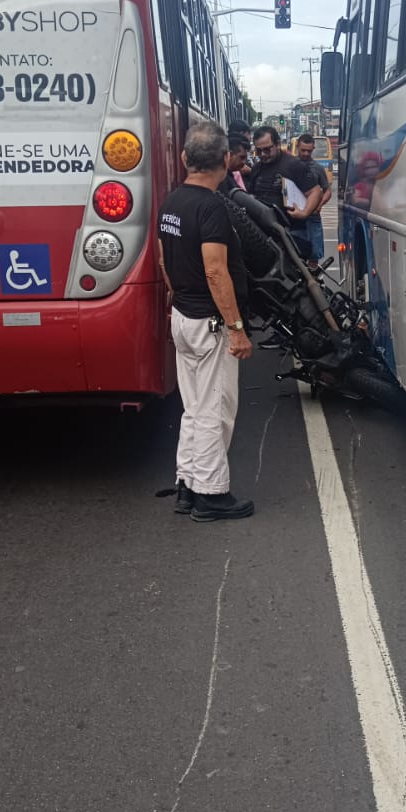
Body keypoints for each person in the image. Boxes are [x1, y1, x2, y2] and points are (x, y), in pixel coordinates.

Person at [157, 122, 254, 522]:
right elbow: (216, 271)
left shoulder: (172, 202)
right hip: (209, 322)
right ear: (225, 160)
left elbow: (164, 260)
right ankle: (212, 496)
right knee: (215, 408)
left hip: (183, 315)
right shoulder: (211, 206)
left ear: (184, 159)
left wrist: (176, 296)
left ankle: (187, 485)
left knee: (194, 407)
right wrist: (236, 328)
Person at [245, 125, 323, 260]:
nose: (263, 154)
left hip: (292, 234)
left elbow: (316, 192)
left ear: (278, 144)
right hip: (265, 236)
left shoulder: (294, 165)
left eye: (267, 149)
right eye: (258, 150)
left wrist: (304, 213)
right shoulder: (256, 169)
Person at [296, 133, 332, 265]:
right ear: (297, 147)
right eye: (303, 150)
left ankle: (314, 281)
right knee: (295, 255)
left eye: (309, 151)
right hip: (294, 217)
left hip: (313, 217)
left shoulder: (318, 168)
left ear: (313, 149)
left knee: (314, 254)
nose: (306, 153)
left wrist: (320, 205)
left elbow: (327, 191)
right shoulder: (289, 166)